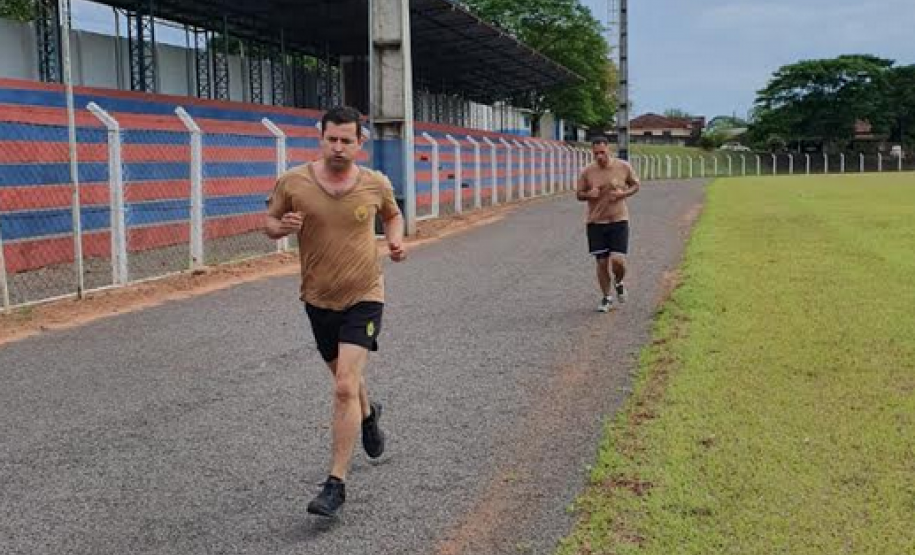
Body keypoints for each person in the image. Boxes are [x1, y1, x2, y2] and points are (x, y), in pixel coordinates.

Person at [264, 106, 406, 517]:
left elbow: (393, 216)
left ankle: (336, 484)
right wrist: (282, 228)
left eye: (347, 140)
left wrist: (395, 242)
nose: (339, 147)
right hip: (318, 299)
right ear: (321, 137)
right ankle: (368, 414)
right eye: (332, 139)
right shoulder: (294, 181)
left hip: (364, 294)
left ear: (361, 144)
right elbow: (268, 222)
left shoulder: (374, 183)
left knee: (344, 384)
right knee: (347, 381)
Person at [575, 136, 640, 312]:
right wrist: (589, 194)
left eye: (602, 152)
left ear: (608, 150)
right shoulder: (587, 171)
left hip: (618, 219)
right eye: (596, 153)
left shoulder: (623, 166)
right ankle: (607, 297)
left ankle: (619, 282)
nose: (599, 156)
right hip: (596, 222)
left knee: (618, 260)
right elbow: (579, 194)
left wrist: (622, 194)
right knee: (602, 263)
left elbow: (635, 185)